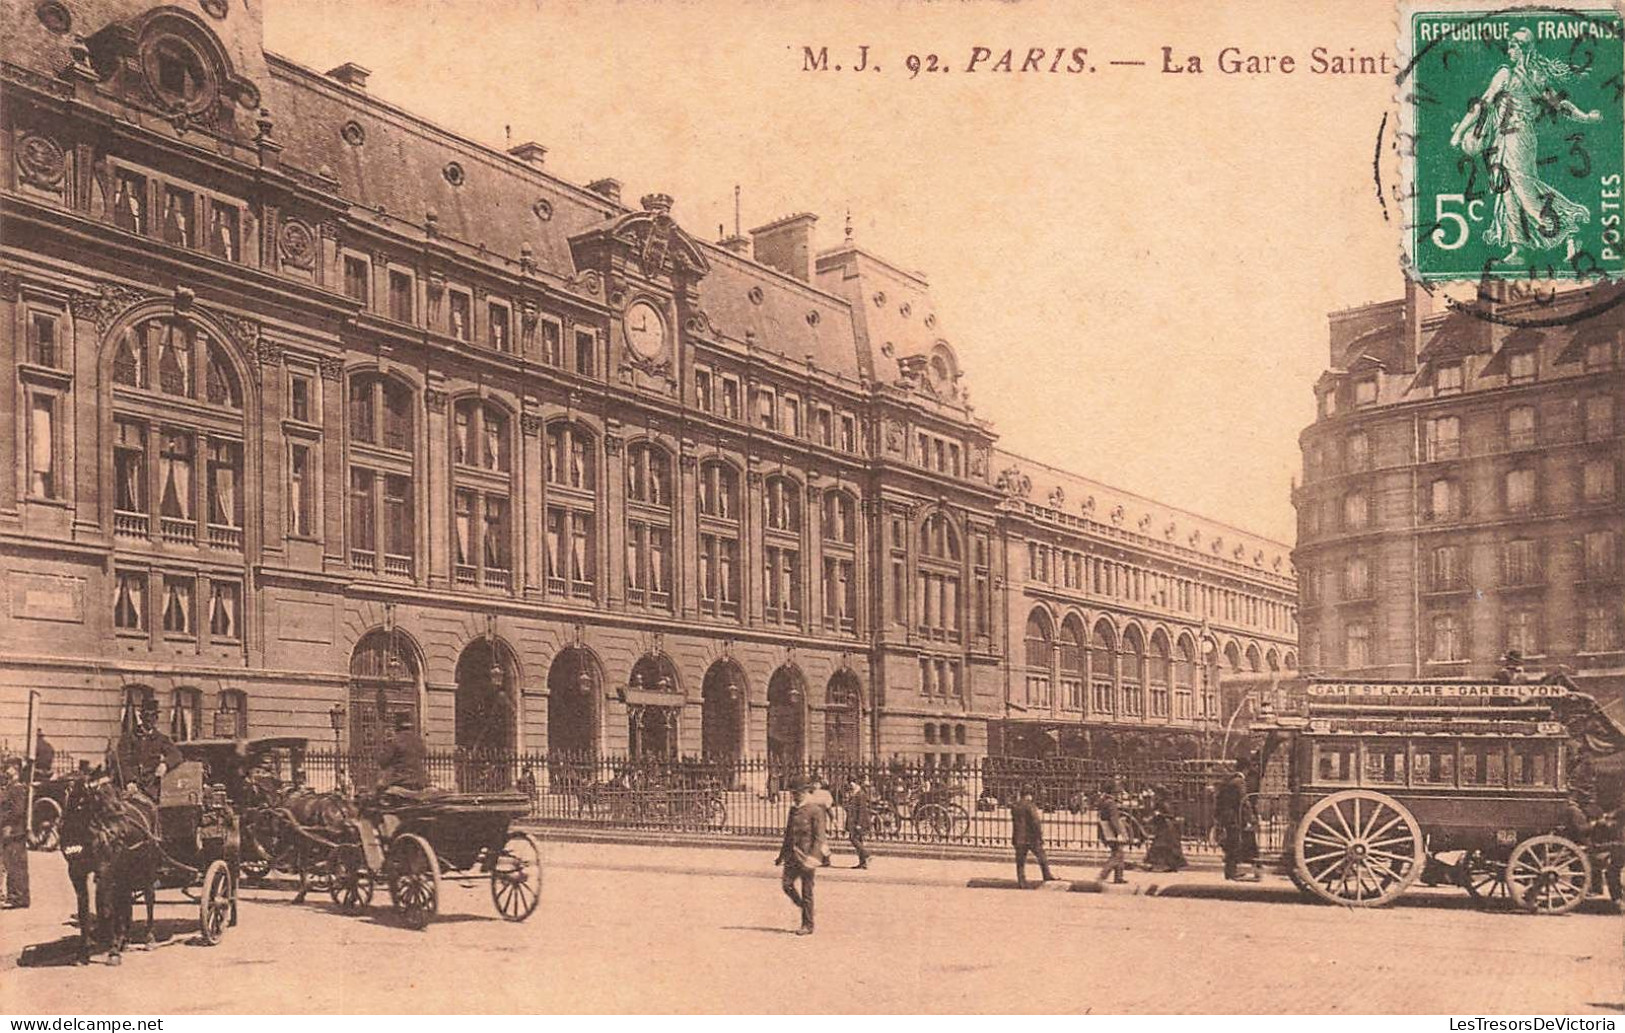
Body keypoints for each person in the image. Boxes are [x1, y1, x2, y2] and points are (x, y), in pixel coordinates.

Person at [1448, 27, 1601, 267]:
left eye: (1513, 46)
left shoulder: (1510, 75)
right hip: (1504, 139)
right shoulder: (1529, 76)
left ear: (1523, 49)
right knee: (1507, 192)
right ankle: (1518, 248)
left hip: (1518, 138)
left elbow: (1482, 105)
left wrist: (1458, 133)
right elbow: (1560, 105)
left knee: (1524, 191)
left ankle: (1569, 230)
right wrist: (1586, 117)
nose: (1509, 50)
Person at [774, 775, 828, 935]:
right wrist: (781, 856)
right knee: (787, 885)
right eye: (793, 794)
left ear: (805, 792)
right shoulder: (794, 810)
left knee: (807, 891)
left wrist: (813, 857)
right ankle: (804, 907)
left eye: (797, 793)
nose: (795, 796)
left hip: (807, 857)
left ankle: (808, 925)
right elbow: (788, 834)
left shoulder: (815, 810)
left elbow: (819, 837)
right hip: (792, 855)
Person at [110, 697, 183, 801]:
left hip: (151, 787)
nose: (150, 720)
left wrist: (165, 764)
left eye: (153, 716)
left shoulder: (161, 739)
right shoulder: (128, 738)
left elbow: (176, 755)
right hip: (129, 786)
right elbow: (120, 761)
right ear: (141, 717)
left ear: (157, 718)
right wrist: (129, 781)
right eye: (147, 715)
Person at [1216, 758, 1261, 881]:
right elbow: (1243, 801)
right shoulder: (1239, 782)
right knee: (1234, 843)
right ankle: (1231, 872)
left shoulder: (1229, 779)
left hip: (1227, 816)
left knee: (1232, 843)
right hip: (1234, 817)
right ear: (1245, 769)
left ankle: (1230, 871)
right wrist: (1250, 818)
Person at [374, 712, 430, 796]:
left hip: (401, 781)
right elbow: (424, 753)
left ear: (397, 727)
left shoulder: (395, 740)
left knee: (379, 795)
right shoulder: (418, 741)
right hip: (420, 782)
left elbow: (383, 762)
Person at [1010, 787, 1056, 888]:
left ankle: (1021, 881)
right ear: (1029, 795)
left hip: (1018, 837)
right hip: (1031, 837)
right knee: (1041, 857)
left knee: (1020, 861)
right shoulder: (1030, 806)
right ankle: (1046, 875)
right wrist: (1039, 836)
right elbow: (1036, 822)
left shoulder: (1015, 806)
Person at [0, 759, 29, 908]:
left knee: (16, 865)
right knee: (11, 864)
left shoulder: (17, 788)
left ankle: (19, 898)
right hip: (9, 830)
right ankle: (14, 897)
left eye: (9, 768)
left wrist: (3, 820)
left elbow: (18, 811)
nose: (6, 770)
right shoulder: (10, 787)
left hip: (14, 831)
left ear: (16, 769)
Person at [1143, 785, 1187, 873]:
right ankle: (1171, 865)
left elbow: (1169, 815)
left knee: (1163, 846)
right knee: (1167, 846)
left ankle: (1164, 865)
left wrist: (1157, 815)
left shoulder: (1162, 803)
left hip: (1166, 827)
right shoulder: (1164, 802)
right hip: (1166, 826)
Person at [1096, 780, 1129, 885]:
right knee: (1117, 854)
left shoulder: (1104, 800)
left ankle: (1118, 877)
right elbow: (1113, 819)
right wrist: (1119, 833)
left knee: (1119, 853)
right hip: (1112, 832)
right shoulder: (1111, 803)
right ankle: (1103, 875)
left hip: (1105, 831)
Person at [843, 776, 871, 870]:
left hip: (859, 821)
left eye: (851, 783)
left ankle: (866, 854)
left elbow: (862, 810)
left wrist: (859, 823)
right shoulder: (854, 793)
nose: (850, 785)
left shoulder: (860, 794)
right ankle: (863, 863)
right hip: (854, 820)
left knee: (853, 838)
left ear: (855, 783)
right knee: (859, 840)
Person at [807, 778, 836, 867]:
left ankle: (826, 858)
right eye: (813, 783)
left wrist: (833, 819)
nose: (814, 785)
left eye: (817, 783)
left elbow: (828, 808)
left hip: (820, 819)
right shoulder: (809, 793)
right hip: (811, 819)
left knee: (820, 839)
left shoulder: (824, 794)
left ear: (820, 784)